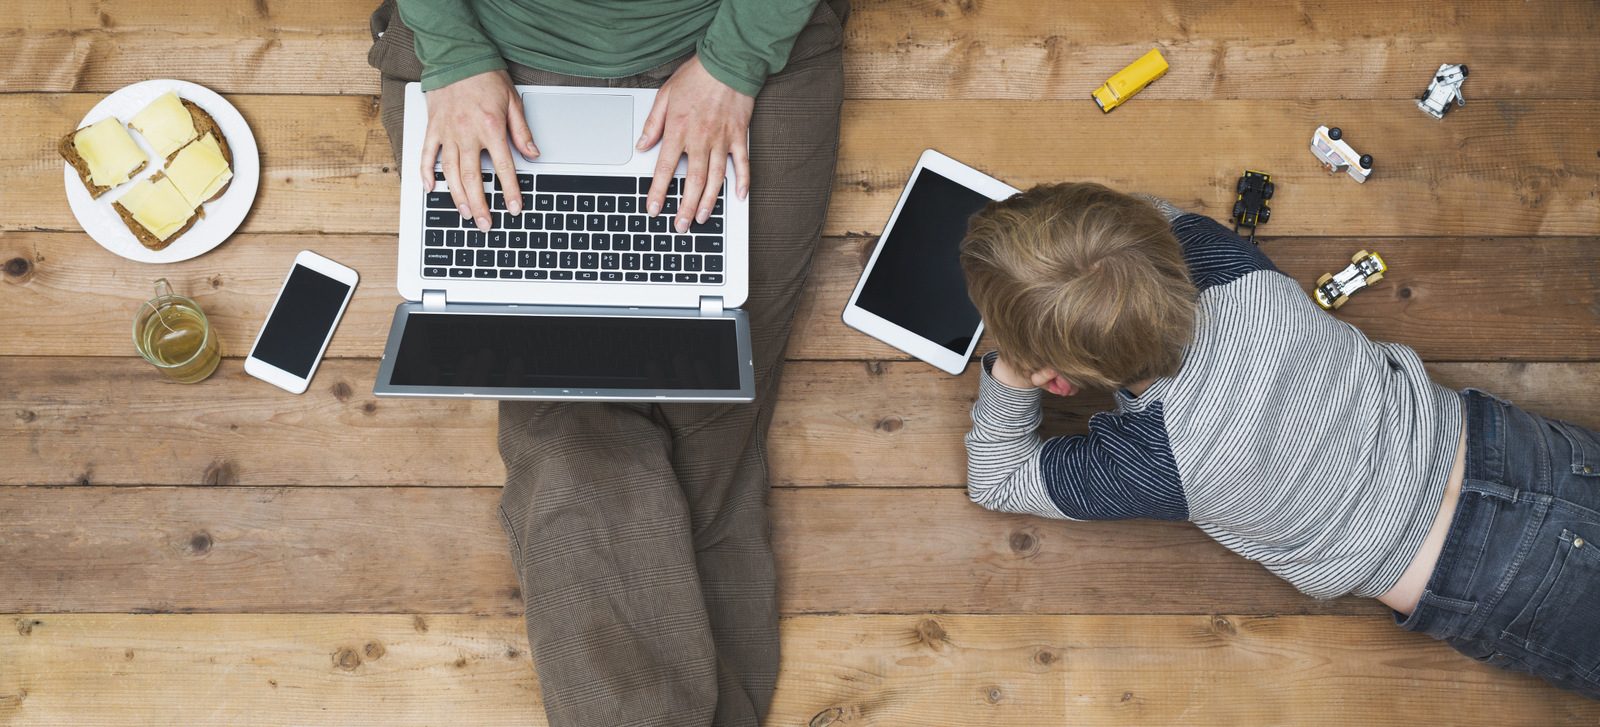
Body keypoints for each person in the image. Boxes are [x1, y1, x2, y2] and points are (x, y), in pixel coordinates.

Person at [366, 1, 847, 724]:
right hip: (494, 43)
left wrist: (732, 61)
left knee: (712, 408)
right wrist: (455, 55)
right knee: (564, 423)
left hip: (741, 37)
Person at [958, 182, 1600, 700]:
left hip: (1489, 580)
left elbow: (995, 478)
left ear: (1064, 378)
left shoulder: (1154, 460)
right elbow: (1148, 218)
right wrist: (1049, 250)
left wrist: (1012, 370)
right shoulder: (1218, 258)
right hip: (1524, 451)